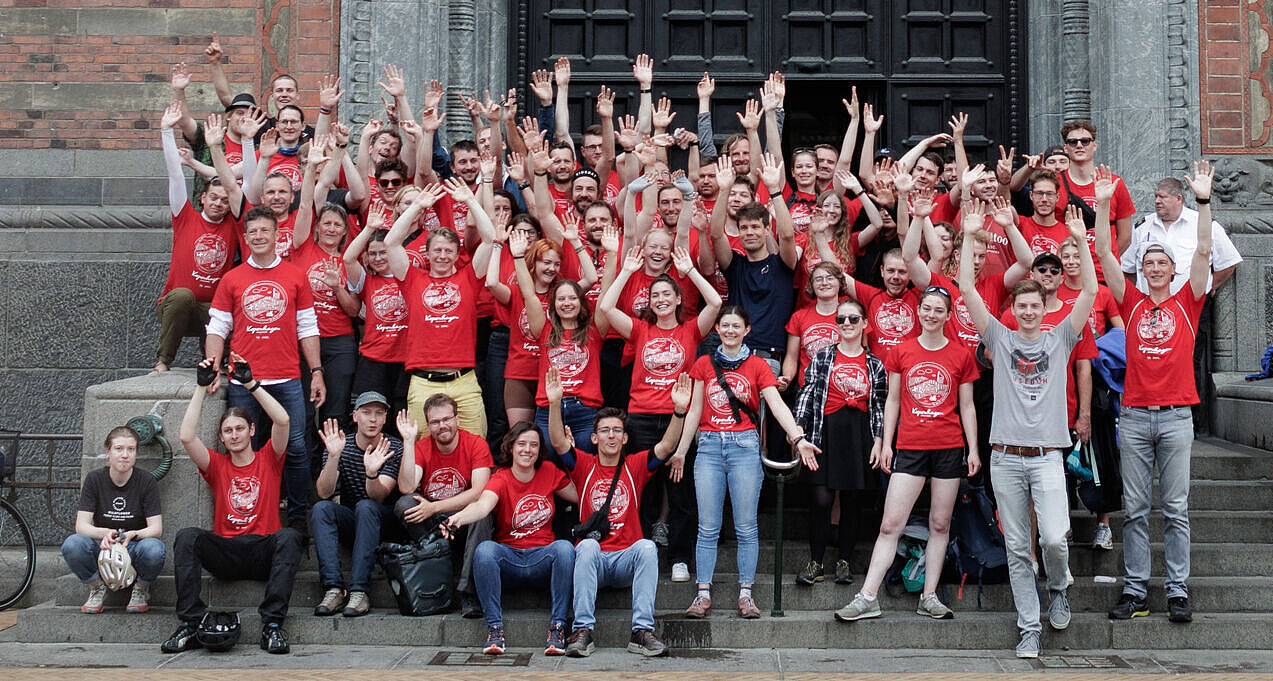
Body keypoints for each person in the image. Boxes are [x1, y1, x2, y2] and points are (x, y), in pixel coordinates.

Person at [959, 198, 1096, 658]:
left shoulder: (1061, 337)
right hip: (1005, 457)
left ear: (1045, 306)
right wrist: (971, 235)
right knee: (1019, 547)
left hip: (1047, 456)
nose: (1030, 311)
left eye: (1037, 304)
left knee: (1054, 537)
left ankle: (1058, 586)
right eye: (1023, 305)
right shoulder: (999, 336)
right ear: (1014, 309)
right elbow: (967, 289)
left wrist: (1079, 240)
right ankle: (1029, 625)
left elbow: (1092, 294)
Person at [1095, 162, 1216, 625]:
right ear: (1142, 271)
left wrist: (1203, 202)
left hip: (1176, 417)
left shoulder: (1189, 301)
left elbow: (1203, 250)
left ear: (1172, 269)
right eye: (1149, 263)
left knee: (1177, 508)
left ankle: (1178, 590)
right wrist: (1104, 202)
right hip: (1136, 416)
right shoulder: (1131, 300)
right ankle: (1135, 590)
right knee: (1138, 509)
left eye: (1163, 262)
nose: (1156, 269)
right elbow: (1105, 253)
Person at [834, 285, 979, 623]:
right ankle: (868, 596)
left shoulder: (960, 354)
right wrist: (885, 442)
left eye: (938, 310)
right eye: (926, 308)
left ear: (947, 315)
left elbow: (968, 405)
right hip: (911, 445)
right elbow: (893, 400)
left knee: (940, 524)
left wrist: (973, 448)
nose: (931, 315)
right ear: (918, 311)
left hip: (948, 446)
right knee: (890, 525)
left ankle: (929, 596)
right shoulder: (902, 350)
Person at [675, 306, 820, 619]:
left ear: (746, 330)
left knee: (746, 526)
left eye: (735, 326)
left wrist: (796, 437)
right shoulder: (704, 363)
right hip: (711, 446)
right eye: (725, 325)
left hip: (743, 445)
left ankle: (746, 594)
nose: (729, 331)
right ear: (717, 329)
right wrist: (682, 450)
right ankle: (702, 594)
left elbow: (776, 403)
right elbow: (695, 410)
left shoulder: (756, 366)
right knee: (708, 527)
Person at [598, 225, 722, 584]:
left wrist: (691, 272)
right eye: (656, 296)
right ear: (650, 302)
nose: (662, 300)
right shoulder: (640, 330)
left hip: (677, 418)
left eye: (668, 294)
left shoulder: (691, 331)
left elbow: (715, 303)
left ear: (678, 299)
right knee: (642, 489)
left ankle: (680, 557)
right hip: (639, 419)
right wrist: (625, 271)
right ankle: (636, 549)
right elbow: (606, 306)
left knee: (681, 491)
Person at [546, 368, 691, 657]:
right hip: (594, 561)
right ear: (594, 438)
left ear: (625, 438)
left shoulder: (635, 465)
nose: (611, 436)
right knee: (585, 546)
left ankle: (641, 632)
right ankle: (583, 630)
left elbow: (664, 447)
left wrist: (678, 411)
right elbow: (559, 443)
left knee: (648, 548)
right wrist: (554, 404)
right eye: (604, 431)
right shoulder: (583, 465)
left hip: (626, 560)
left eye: (617, 431)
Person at [164, 354, 303, 655]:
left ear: (252, 431)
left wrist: (251, 384)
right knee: (187, 536)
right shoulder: (216, 465)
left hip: (263, 551)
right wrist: (200, 388)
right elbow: (186, 436)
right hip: (227, 552)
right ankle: (191, 623)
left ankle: (273, 626)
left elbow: (283, 420)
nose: (235, 434)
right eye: (228, 431)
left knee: (290, 536)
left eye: (240, 428)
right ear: (222, 439)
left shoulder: (270, 458)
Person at [205, 207, 324, 532]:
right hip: (244, 382)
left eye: (264, 231)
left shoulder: (295, 276)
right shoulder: (232, 279)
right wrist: (213, 367)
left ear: (276, 236)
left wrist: (316, 371)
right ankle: (254, 515)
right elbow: (217, 327)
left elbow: (307, 327)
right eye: (252, 232)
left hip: (287, 378)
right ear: (245, 238)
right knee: (247, 451)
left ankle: (298, 517)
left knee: (297, 448)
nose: (258, 236)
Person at [440, 423, 579, 656]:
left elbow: (579, 494)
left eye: (534, 445)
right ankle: (495, 629)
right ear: (511, 447)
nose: (528, 450)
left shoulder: (549, 471)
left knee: (565, 548)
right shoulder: (501, 478)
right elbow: (483, 506)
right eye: (522, 444)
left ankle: (557, 628)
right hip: (510, 560)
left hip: (541, 558)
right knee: (485, 550)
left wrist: (574, 458)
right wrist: (459, 518)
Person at [384, 180, 497, 437]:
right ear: (427, 253)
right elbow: (391, 243)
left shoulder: (469, 278)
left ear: (458, 255)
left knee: (476, 444)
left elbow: (490, 239)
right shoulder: (412, 279)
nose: (443, 256)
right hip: (424, 381)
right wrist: (417, 207)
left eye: (449, 251)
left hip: (464, 381)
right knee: (421, 449)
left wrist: (470, 201)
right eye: (437, 250)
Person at [793, 299, 887, 586]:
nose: (846, 324)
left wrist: (879, 439)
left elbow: (881, 404)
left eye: (853, 319)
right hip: (825, 432)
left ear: (864, 325)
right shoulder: (823, 357)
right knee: (821, 498)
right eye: (841, 320)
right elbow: (808, 393)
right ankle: (816, 561)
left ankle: (844, 561)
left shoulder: (875, 364)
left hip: (859, 433)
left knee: (852, 499)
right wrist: (798, 429)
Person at [153, 102, 249, 374]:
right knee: (182, 296)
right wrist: (166, 131)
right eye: (213, 198)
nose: (219, 204)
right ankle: (163, 362)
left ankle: (217, 366)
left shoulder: (234, 224)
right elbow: (175, 174)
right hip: (176, 308)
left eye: (224, 200)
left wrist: (250, 142)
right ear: (202, 198)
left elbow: (249, 182)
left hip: (212, 313)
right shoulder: (185, 217)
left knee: (226, 308)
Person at [394, 395, 494, 619]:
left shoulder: (476, 444)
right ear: (428, 425)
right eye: (435, 422)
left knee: (483, 512)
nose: (442, 426)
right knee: (404, 505)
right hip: (434, 525)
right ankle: (438, 577)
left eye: (447, 419)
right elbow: (406, 486)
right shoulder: (422, 446)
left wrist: (435, 507)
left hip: (465, 519)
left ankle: (469, 593)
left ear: (457, 420)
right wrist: (408, 443)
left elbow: (479, 491)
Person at [310, 391, 403, 617]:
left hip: (386, 523)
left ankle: (360, 591)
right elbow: (323, 492)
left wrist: (371, 473)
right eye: (366, 413)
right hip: (355, 522)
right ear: (355, 416)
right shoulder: (341, 444)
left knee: (366, 506)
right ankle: (333, 588)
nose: (372, 419)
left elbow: (378, 496)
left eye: (378, 413)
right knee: (322, 508)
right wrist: (333, 457)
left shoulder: (394, 446)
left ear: (385, 419)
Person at [62, 426, 164, 614]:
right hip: (102, 546)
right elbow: (81, 526)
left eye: (130, 449)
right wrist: (104, 533)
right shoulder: (94, 479)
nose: (125, 455)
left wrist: (134, 535)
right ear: (107, 452)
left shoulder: (146, 481)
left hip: (132, 546)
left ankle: (141, 590)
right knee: (72, 545)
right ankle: (96, 587)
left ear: (136, 453)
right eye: (119, 449)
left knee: (154, 549)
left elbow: (156, 529)